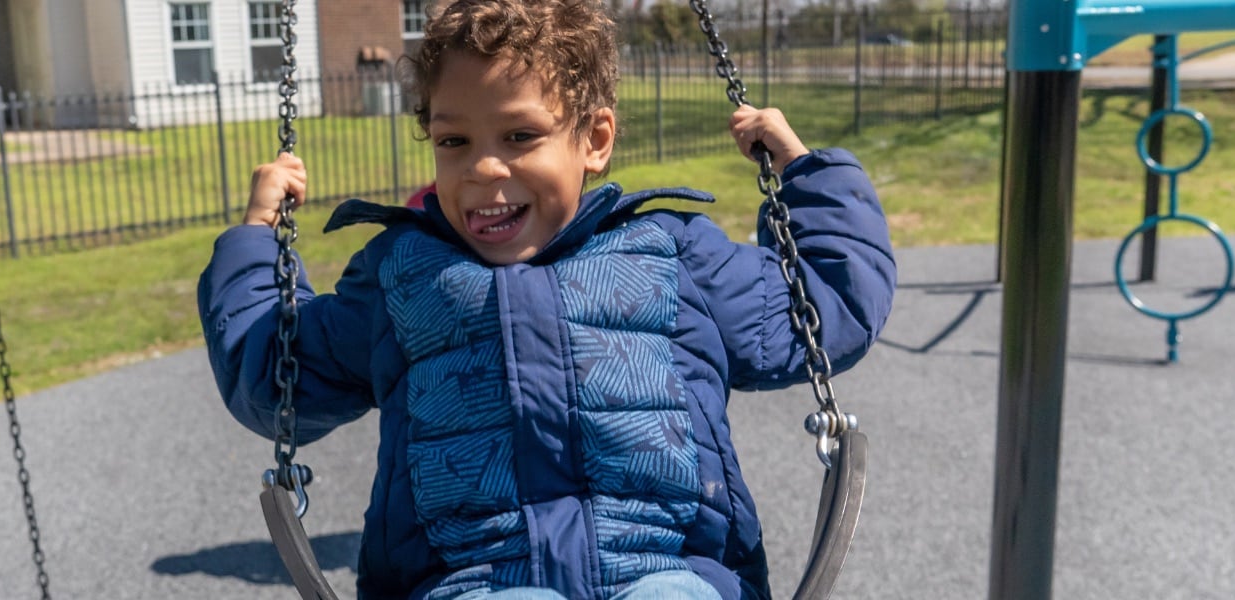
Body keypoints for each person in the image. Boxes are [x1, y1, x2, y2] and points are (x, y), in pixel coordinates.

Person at [198, 0, 896, 598]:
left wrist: (804, 174)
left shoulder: (675, 257)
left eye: (520, 135)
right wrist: (261, 233)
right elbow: (274, 377)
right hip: (475, 579)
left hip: (667, 569)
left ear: (593, 139)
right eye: (453, 140)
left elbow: (829, 308)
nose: (483, 168)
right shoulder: (403, 278)